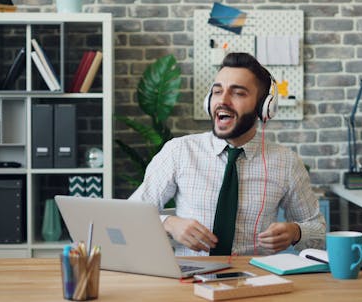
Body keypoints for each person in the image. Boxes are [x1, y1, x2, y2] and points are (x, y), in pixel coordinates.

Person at [130, 52, 326, 256]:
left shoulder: (286, 162)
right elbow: (129, 216)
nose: (222, 101)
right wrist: (169, 224)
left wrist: (296, 232)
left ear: (263, 107)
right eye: (217, 91)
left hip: (255, 280)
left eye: (238, 93)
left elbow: (318, 234)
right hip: (190, 281)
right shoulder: (179, 151)